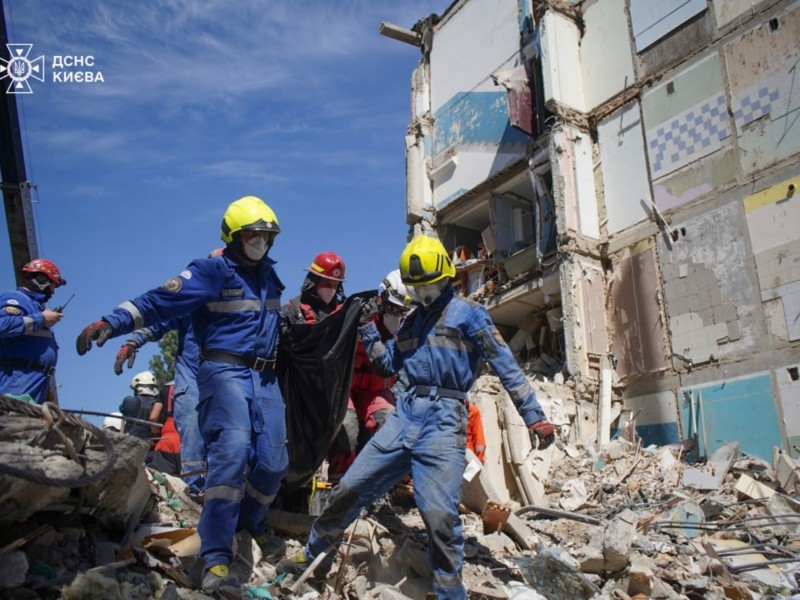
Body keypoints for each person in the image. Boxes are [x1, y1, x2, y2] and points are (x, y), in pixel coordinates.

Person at [276, 235, 555, 599]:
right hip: (405, 415)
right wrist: (366, 329)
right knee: (349, 489)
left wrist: (535, 416)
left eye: (428, 288)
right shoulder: (411, 324)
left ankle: (449, 591)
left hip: (444, 418)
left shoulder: (470, 314)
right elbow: (387, 364)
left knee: (438, 515)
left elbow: (508, 368)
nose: (423, 296)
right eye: (417, 289)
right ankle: (311, 556)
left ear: (446, 277)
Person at [76, 195, 287, 594]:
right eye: (253, 235)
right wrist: (114, 323)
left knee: (274, 463)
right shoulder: (211, 271)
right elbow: (162, 301)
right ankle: (217, 559)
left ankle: (251, 522)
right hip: (223, 372)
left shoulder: (269, 277)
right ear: (233, 237)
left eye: (266, 236)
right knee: (231, 451)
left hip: (266, 379)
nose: (261, 242)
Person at [282, 252, 358, 483]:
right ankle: (290, 487)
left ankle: (338, 489)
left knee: (349, 430)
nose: (331, 289)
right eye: (327, 283)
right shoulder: (292, 311)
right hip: (301, 393)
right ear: (313, 281)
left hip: (334, 390)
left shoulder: (345, 313)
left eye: (336, 285)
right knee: (295, 441)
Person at [350, 269, 413, 451]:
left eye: (402, 311)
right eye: (394, 308)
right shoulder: (358, 316)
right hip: (348, 390)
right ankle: (341, 474)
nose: (397, 315)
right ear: (382, 297)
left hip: (376, 391)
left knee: (389, 422)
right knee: (346, 425)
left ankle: (387, 475)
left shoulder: (404, 330)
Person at [0, 259, 67, 404]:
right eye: (52, 285)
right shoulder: (16, 299)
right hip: (15, 382)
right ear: (42, 280)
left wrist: (44, 386)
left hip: (34, 384)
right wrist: (41, 319)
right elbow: (2, 325)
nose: (53, 291)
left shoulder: (36, 307)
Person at [145, 381, 182, 476]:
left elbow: (153, 417)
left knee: (165, 482)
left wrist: (155, 432)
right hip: (189, 441)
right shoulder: (195, 384)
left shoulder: (166, 388)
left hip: (167, 441)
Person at [119, 371, 163, 444]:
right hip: (152, 447)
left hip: (131, 445)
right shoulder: (158, 405)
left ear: (137, 388)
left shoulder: (130, 401)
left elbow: (121, 408)